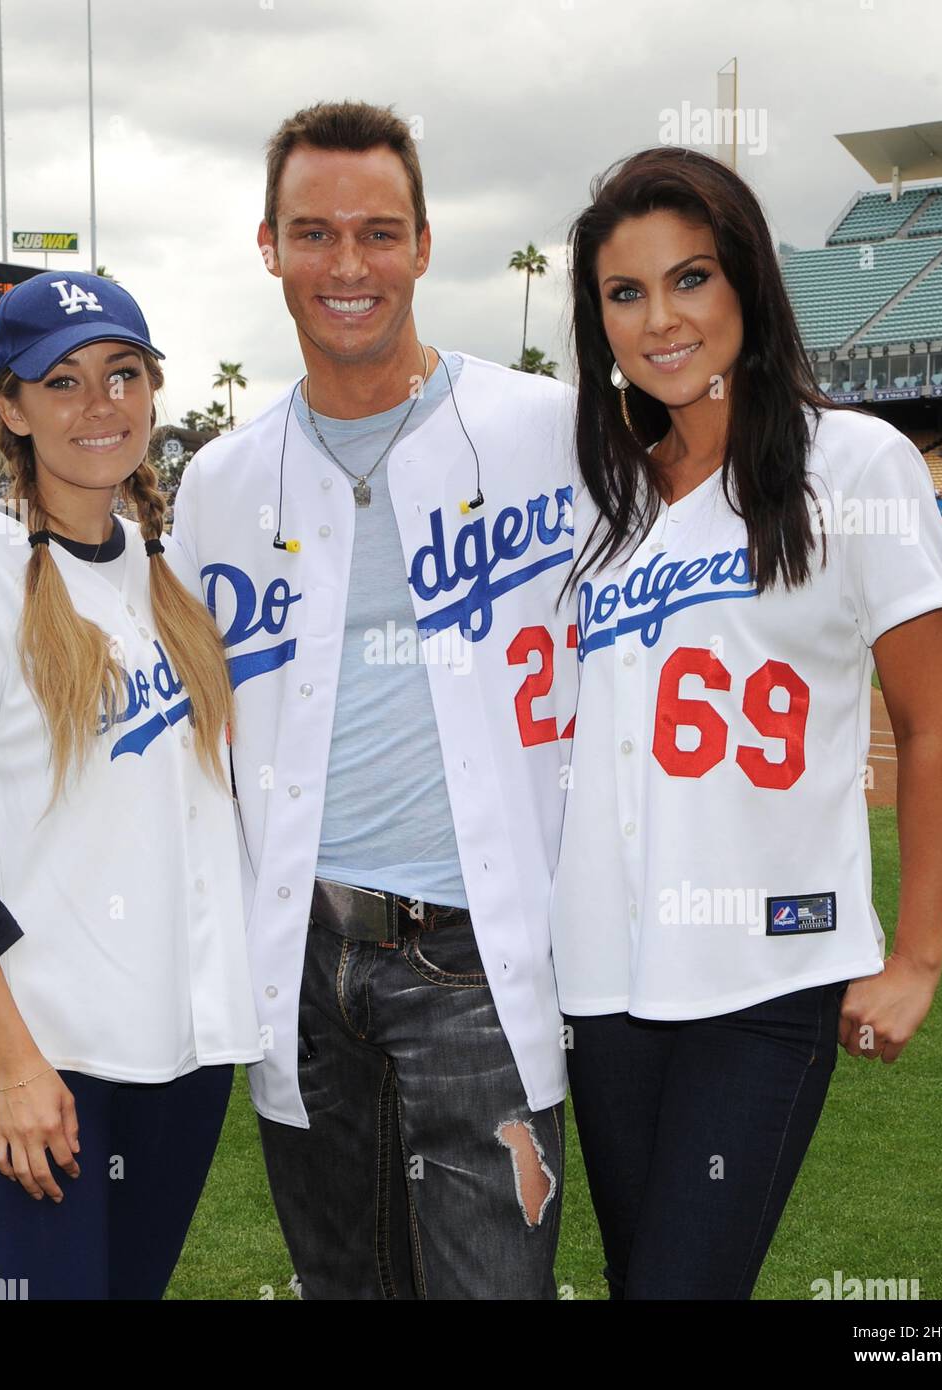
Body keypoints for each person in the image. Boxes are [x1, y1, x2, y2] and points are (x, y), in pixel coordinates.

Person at [170, 100, 577, 1299]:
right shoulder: (218, 482)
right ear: (269, 246)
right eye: (313, 233)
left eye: (376, 232)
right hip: (301, 962)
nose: (346, 266)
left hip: (477, 961)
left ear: (423, 243)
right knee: (340, 1286)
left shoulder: (547, 431)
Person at [549, 146, 942, 1300]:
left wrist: (916, 957)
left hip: (766, 966)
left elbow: (929, 728)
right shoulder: (606, 499)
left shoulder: (857, 462)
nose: (659, 318)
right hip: (603, 975)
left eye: (688, 278)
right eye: (623, 294)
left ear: (742, 282)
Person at [0, 269, 261, 1300]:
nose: (101, 404)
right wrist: (12, 1062)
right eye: (63, 380)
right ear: (10, 406)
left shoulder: (159, 571)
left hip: (179, 1058)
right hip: (46, 1053)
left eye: (123, 374)